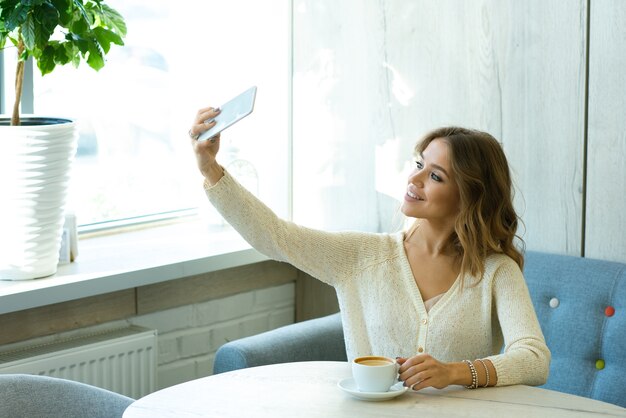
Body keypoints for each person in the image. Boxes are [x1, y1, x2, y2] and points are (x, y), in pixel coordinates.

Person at [189, 106, 550, 391]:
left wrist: (455, 372)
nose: (414, 179)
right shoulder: (361, 256)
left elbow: (534, 358)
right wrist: (210, 169)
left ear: (469, 196)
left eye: (435, 176)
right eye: (419, 164)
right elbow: (275, 236)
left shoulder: (496, 272)